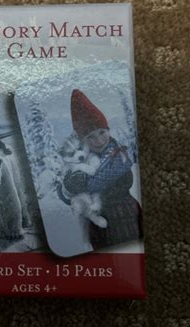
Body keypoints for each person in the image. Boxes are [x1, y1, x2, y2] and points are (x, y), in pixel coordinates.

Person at [61, 89, 143, 249]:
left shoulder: (119, 155)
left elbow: (122, 180)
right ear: (82, 140)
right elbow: (68, 193)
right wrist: (68, 187)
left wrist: (84, 184)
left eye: (101, 132)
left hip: (127, 215)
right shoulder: (81, 160)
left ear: (108, 130)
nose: (99, 140)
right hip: (100, 225)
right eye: (90, 137)